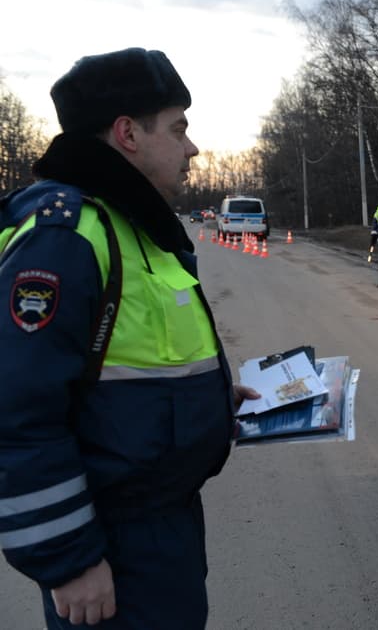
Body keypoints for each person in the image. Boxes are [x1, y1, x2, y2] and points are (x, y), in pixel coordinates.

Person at [0, 47, 258, 629]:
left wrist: (212, 401)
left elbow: (130, 365)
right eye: (179, 128)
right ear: (127, 134)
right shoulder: (66, 236)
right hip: (109, 546)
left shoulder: (132, 225)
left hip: (164, 529)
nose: (192, 148)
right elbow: (16, 412)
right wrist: (68, 560)